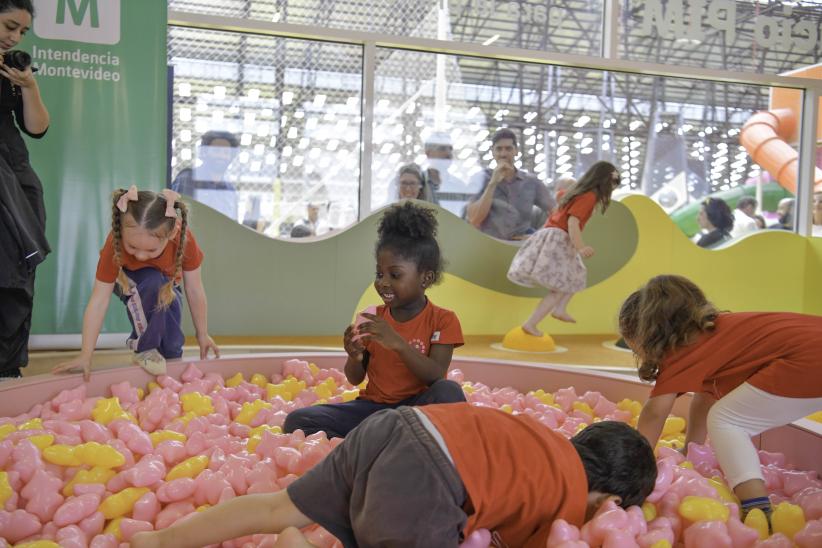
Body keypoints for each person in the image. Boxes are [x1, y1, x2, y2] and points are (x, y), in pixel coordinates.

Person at [130, 407, 657, 548]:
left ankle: (159, 540)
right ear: (606, 499)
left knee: (278, 505)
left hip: (396, 427)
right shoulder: (566, 503)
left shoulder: (542, 436)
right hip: (431, 476)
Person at [618, 274, 822, 521]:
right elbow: (704, 399)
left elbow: (655, 412)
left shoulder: (680, 350)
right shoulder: (714, 336)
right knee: (721, 412)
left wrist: (638, 460)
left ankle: (757, 508)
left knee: (727, 420)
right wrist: (690, 450)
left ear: (647, 336)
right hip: (812, 345)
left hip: (808, 359)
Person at [283, 202, 466, 438]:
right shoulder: (371, 318)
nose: (383, 283)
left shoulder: (443, 320)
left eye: (395, 275)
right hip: (373, 411)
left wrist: (398, 343)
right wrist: (355, 357)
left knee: (449, 391)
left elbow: (435, 375)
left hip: (417, 410)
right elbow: (355, 378)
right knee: (298, 421)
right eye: (379, 274)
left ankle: (383, 439)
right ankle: (382, 439)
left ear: (425, 278)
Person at [53, 187, 220, 380]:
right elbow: (99, 301)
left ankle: (171, 358)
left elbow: (194, 289)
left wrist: (202, 334)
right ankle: (145, 349)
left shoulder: (184, 239)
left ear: (172, 233)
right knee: (152, 282)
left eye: (151, 250)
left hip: (166, 283)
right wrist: (85, 355)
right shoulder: (114, 245)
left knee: (170, 309)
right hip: (127, 280)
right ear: (121, 232)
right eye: (132, 247)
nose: (140, 256)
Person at [508, 161, 620, 336]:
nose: (611, 191)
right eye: (611, 186)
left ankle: (559, 309)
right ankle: (532, 323)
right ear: (604, 182)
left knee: (576, 275)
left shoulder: (576, 193)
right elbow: (572, 222)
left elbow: (558, 207)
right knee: (561, 285)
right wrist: (580, 247)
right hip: (560, 238)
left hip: (554, 235)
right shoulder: (588, 196)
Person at [0, 0, 49, 380]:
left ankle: (6, 365)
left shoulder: (12, 67)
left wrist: (29, 86)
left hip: (15, 174)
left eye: (21, 31)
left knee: (18, 268)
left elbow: (36, 127)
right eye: (8, 26)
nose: (14, 37)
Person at [465, 128, 554, 240]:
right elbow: (474, 219)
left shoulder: (531, 182)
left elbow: (557, 212)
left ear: (516, 151)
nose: (503, 154)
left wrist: (538, 236)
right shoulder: (480, 178)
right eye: (499, 149)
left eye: (508, 149)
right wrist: (492, 183)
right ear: (492, 152)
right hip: (488, 244)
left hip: (520, 248)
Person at [171, 130, 240, 220]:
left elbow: (234, 226)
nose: (221, 156)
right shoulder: (187, 179)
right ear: (205, 152)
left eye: (226, 152)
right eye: (216, 150)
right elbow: (172, 218)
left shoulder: (230, 191)